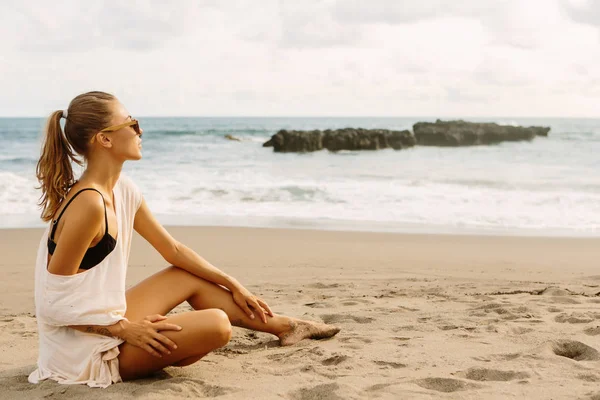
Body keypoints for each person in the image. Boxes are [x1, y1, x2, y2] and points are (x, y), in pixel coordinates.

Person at [28, 91, 340, 388]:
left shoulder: (123, 189)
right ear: (105, 139)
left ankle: (289, 327)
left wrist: (233, 283)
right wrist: (126, 329)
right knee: (217, 325)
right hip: (81, 352)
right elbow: (52, 305)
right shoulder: (89, 204)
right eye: (131, 123)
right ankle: (156, 351)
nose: (140, 130)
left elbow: (173, 249)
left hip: (105, 318)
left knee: (185, 276)